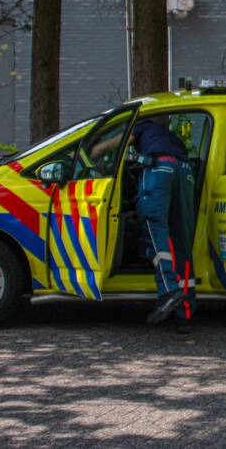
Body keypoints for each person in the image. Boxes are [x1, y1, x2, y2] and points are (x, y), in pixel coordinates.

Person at [91, 117, 197, 333]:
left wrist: (96, 150)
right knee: (181, 242)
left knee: (154, 225)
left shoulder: (143, 126)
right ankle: (184, 314)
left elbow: (119, 142)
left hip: (159, 168)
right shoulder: (171, 138)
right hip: (185, 172)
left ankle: (169, 290)